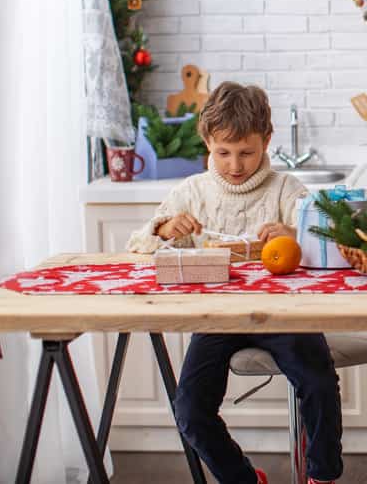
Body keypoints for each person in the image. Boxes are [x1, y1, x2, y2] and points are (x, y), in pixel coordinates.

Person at [128, 82, 342, 484]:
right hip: (218, 315)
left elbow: (329, 245)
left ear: (267, 141)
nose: (235, 164)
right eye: (223, 152)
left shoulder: (286, 190)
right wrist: (166, 227)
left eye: (247, 152)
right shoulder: (191, 192)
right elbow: (140, 244)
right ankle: (243, 478)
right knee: (190, 408)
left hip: (282, 313)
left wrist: (295, 235)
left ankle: (322, 475)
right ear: (207, 141)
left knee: (318, 382)